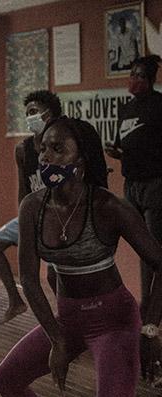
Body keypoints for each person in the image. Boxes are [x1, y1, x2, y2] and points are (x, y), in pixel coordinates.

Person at [0, 116, 160, 397]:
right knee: (7, 379)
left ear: (81, 160)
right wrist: (56, 339)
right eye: (43, 148)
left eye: (57, 149)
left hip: (115, 322)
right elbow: (29, 280)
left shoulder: (108, 208)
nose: (46, 156)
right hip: (67, 319)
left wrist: (150, 328)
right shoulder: (33, 206)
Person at [0, 91, 61, 324]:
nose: (30, 117)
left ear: (50, 114)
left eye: (34, 111)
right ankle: (15, 301)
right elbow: (23, 186)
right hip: (32, 214)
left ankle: (68, 315)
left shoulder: (60, 144)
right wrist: (22, 215)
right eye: (27, 113)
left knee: (52, 275)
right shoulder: (23, 149)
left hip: (56, 216)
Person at [105, 55, 162, 316]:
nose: (134, 80)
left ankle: (153, 306)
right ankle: (147, 301)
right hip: (132, 183)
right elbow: (123, 145)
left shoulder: (159, 105)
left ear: (150, 80)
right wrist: (116, 153)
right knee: (140, 245)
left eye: (139, 75)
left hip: (155, 183)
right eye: (132, 74)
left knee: (154, 247)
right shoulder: (126, 109)